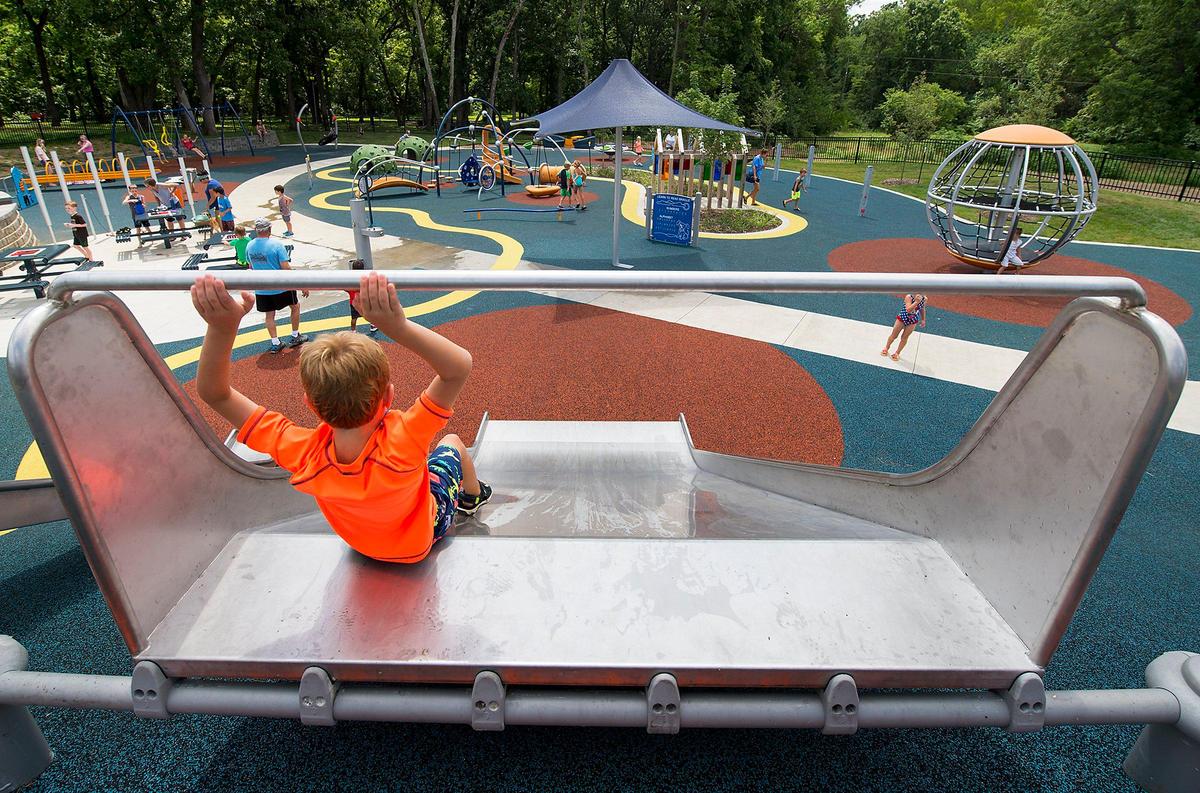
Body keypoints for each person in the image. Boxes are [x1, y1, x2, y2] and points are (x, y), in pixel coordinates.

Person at [189, 271, 493, 562]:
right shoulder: (405, 438)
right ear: (388, 396)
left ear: (310, 404)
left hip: (363, 545)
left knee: (422, 467)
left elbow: (216, 394)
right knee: (452, 442)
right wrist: (396, 326)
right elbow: (458, 367)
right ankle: (473, 497)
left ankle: (460, 495)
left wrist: (221, 327)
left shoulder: (303, 452)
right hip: (418, 543)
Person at [246, 218, 309, 353]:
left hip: (262, 288)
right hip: (282, 286)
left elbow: (250, 266)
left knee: (269, 315)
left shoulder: (250, 246)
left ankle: (275, 342)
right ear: (269, 230)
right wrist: (301, 284)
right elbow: (285, 267)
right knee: (295, 306)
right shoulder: (276, 244)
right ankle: (295, 335)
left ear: (256, 230)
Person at [880, 293, 927, 362]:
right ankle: (886, 347)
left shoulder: (924, 299)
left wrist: (923, 319)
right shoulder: (909, 297)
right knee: (894, 335)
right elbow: (908, 310)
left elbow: (922, 308)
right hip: (902, 318)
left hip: (913, 321)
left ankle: (897, 353)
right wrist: (917, 302)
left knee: (904, 337)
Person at [346, 259, 378, 334]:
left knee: (354, 318)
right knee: (369, 314)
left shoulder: (351, 280)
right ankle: (372, 325)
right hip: (364, 300)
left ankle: (353, 331)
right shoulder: (365, 278)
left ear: (353, 269)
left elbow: (346, 288)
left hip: (353, 302)